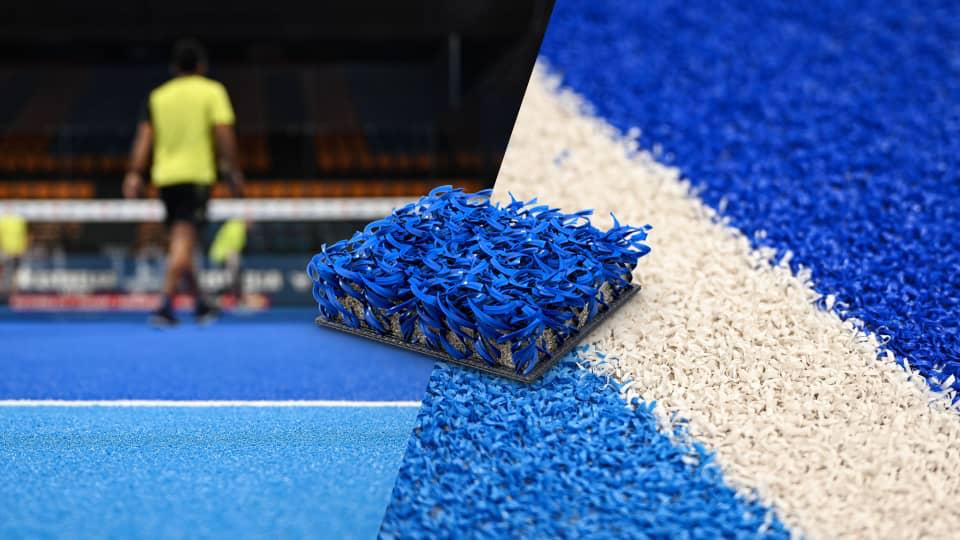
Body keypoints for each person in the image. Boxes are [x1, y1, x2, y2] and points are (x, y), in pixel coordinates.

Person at [123, 38, 244, 326]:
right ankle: (164, 305)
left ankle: (201, 303)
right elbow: (224, 133)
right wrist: (232, 171)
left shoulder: (158, 96)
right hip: (196, 177)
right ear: (201, 66)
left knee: (183, 240)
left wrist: (134, 173)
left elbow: (144, 138)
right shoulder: (212, 91)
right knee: (182, 241)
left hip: (165, 180)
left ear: (174, 67)